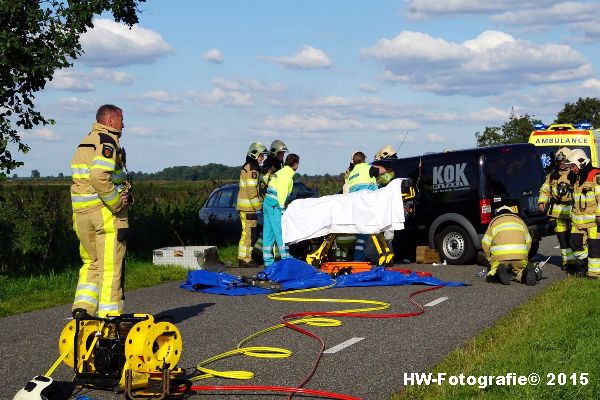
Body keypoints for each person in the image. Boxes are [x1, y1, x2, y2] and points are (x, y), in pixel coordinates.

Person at [70, 104, 130, 318]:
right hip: (104, 214)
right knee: (110, 267)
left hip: (81, 214)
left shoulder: (86, 141)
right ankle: (110, 317)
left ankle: (83, 309)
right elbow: (98, 176)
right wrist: (116, 202)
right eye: (122, 119)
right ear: (110, 121)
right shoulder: (107, 142)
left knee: (90, 263)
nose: (124, 124)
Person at [537, 147, 575, 270]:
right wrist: (542, 202)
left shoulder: (574, 173)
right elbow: (545, 189)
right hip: (557, 213)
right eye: (559, 161)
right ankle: (568, 262)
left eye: (563, 161)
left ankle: (580, 261)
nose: (561, 163)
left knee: (575, 238)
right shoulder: (553, 175)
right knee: (563, 239)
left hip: (572, 211)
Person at [564, 149, 600, 279]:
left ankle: (594, 275)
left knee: (595, 249)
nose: (571, 169)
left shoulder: (595, 175)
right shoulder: (576, 179)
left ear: (581, 163)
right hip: (578, 222)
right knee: (575, 245)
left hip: (594, 222)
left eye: (572, 166)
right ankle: (585, 264)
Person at [482, 205, 539, 285]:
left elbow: (485, 243)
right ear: (511, 213)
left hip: (500, 258)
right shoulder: (520, 221)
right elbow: (529, 241)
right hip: (519, 257)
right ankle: (525, 273)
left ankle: (498, 271)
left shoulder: (494, 222)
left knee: (491, 274)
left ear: (498, 213)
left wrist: (489, 259)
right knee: (519, 271)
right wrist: (524, 256)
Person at [346, 151, 387, 261]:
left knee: (362, 235)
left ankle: (358, 258)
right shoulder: (367, 168)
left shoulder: (351, 174)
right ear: (364, 159)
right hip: (369, 205)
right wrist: (372, 165)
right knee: (374, 232)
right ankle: (377, 255)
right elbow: (383, 170)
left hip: (357, 207)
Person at [262, 153, 300, 267]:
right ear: (295, 164)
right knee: (280, 231)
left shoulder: (280, 172)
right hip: (275, 205)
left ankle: (268, 261)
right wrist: (283, 210)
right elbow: (282, 193)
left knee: (269, 232)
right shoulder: (287, 175)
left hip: (268, 203)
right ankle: (285, 257)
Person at [236, 142, 268, 268]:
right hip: (248, 207)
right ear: (254, 155)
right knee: (248, 233)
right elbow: (251, 190)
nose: (263, 158)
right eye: (261, 156)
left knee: (251, 233)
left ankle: (246, 258)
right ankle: (244, 259)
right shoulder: (252, 169)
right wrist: (258, 206)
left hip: (248, 207)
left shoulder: (250, 167)